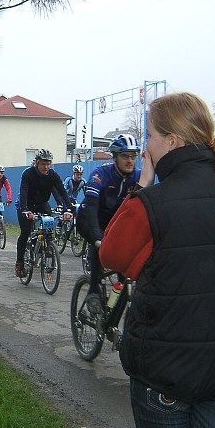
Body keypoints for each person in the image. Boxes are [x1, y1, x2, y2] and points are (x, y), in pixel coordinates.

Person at [99, 92, 215, 428]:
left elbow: (112, 254)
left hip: (164, 372)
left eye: (150, 137)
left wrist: (142, 182)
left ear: (171, 142)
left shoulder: (152, 203)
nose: (145, 147)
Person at [76, 134, 141, 313]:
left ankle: (117, 303)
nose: (130, 160)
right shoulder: (100, 174)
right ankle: (93, 292)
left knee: (124, 267)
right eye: (125, 156)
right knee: (101, 247)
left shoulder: (137, 177)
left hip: (115, 223)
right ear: (115, 157)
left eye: (133, 156)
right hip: (89, 219)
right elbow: (90, 206)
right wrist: (97, 237)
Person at [15, 149, 73, 278]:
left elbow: (62, 192)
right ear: (37, 163)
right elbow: (23, 191)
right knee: (25, 232)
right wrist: (25, 210)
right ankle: (20, 263)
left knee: (48, 228)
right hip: (25, 204)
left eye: (48, 164)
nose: (46, 167)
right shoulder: (28, 174)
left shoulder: (53, 175)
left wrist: (68, 209)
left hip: (42, 204)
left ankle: (46, 246)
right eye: (43, 164)